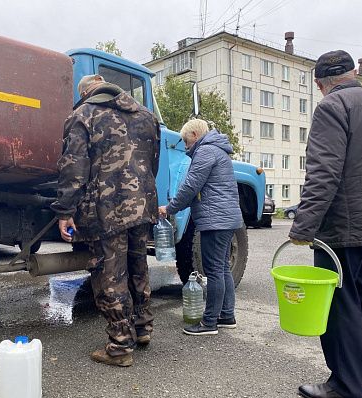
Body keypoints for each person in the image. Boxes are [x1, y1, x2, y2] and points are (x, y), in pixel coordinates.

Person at [288, 50, 362, 398]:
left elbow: (323, 172)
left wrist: (304, 226)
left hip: (342, 227)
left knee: (341, 304)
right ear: (353, 73)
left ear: (321, 84)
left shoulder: (332, 107)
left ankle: (346, 386)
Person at [51, 74, 160, 367]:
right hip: (143, 206)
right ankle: (142, 327)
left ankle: (119, 346)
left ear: (86, 92)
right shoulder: (147, 117)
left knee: (109, 275)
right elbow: (153, 163)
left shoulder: (82, 115)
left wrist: (65, 211)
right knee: (138, 267)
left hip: (105, 211)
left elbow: (73, 170)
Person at [159, 119, 243, 336]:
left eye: (186, 142)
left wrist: (170, 208)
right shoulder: (219, 151)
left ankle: (209, 323)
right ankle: (226, 315)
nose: (186, 147)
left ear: (195, 134)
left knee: (214, 270)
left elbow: (190, 186)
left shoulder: (205, 152)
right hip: (226, 218)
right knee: (222, 268)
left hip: (216, 220)